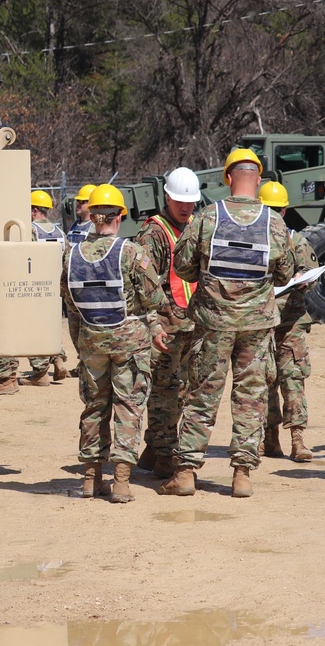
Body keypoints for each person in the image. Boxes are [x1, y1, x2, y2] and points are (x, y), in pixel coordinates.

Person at [160, 148, 293, 498]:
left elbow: (184, 266)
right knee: (251, 396)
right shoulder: (275, 223)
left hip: (212, 324)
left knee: (202, 395)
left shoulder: (207, 217)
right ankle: (242, 475)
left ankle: (186, 472)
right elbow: (286, 274)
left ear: (228, 178)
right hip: (257, 327)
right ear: (259, 180)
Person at [62, 184, 165, 503]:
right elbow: (153, 297)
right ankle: (121, 481)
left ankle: (91, 480)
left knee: (94, 407)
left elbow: (70, 301)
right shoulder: (131, 252)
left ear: (92, 216)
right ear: (120, 216)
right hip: (129, 342)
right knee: (128, 407)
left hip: (91, 339)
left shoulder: (71, 253)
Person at [134, 167, 199, 479]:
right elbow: (143, 285)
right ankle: (163, 457)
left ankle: (154, 448)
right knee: (163, 393)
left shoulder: (195, 226)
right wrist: (154, 325)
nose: (185, 207)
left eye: (190, 202)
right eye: (179, 202)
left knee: (183, 391)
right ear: (167, 197)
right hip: (165, 327)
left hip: (191, 324)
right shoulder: (154, 233)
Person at [0, 190, 70, 396]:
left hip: (31, 287)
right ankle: (51, 363)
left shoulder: (29, 230)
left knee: (25, 328)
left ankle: (19, 375)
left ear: (35, 210)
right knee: (47, 326)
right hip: (53, 287)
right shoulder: (59, 232)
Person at [259, 182, 316, 462]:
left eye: (275, 210)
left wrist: (300, 281)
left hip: (290, 322)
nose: (272, 215)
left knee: (292, 378)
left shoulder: (298, 241)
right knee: (264, 379)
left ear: (284, 211)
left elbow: (310, 274)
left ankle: (298, 440)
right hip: (259, 322)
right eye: (266, 210)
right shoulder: (253, 241)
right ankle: (269, 439)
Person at [66, 184, 97, 382]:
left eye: (83, 201)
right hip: (72, 283)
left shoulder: (94, 228)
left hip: (87, 285)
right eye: (78, 201)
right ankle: (82, 363)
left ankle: (90, 366)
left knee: (88, 329)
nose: (78, 204)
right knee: (74, 328)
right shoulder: (75, 225)